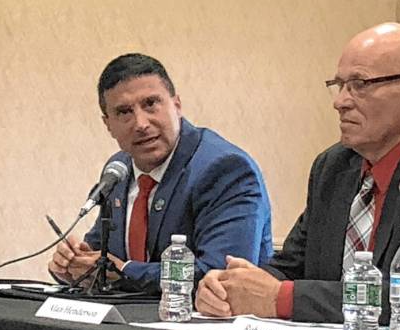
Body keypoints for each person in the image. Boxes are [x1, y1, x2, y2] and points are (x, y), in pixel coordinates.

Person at [196, 22, 400, 330]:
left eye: (360, 84)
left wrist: (282, 298)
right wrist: (229, 287)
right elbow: (292, 267)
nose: (340, 101)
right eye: (339, 84)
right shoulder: (333, 166)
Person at [48, 53, 273, 293]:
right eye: (124, 112)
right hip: (129, 323)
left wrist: (125, 271)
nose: (141, 123)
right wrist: (71, 265)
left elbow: (222, 275)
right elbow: (100, 257)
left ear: (176, 106)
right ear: (108, 125)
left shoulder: (225, 169)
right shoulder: (118, 170)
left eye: (150, 104)